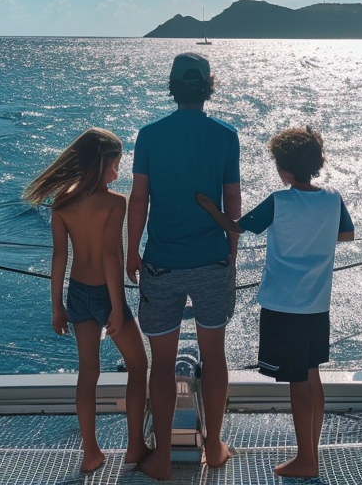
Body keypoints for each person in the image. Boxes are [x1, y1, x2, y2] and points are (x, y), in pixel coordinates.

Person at [196, 125, 354, 480]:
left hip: (285, 307)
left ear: (284, 169)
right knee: (312, 377)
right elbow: (347, 233)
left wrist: (208, 207)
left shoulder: (280, 201)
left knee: (298, 383)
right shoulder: (332, 198)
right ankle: (310, 453)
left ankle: (306, 460)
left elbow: (236, 227)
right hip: (317, 305)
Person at [126, 52, 241, 480]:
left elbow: (140, 198)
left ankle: (160, 459)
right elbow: (232, 202)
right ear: (209, 85)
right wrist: (231, 250)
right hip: (211, 259)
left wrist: (131, 251)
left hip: (161, 262)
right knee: (214, 354)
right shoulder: (226, 136)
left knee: (162, 361)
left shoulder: (150, 135)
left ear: (172, 87)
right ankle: (213, 446)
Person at [23, 128, 150, 474]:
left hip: (77, 293)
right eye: (115, 165)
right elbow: (111, 255)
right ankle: (135, 445)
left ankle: (91, 452)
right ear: (102, 163)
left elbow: (59, 258)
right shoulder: (115, 202)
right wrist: (117, 308)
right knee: (138, 366)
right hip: (107, 294)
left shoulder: (63, 202)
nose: (117, 172)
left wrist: (57, 306)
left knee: (88, 374)